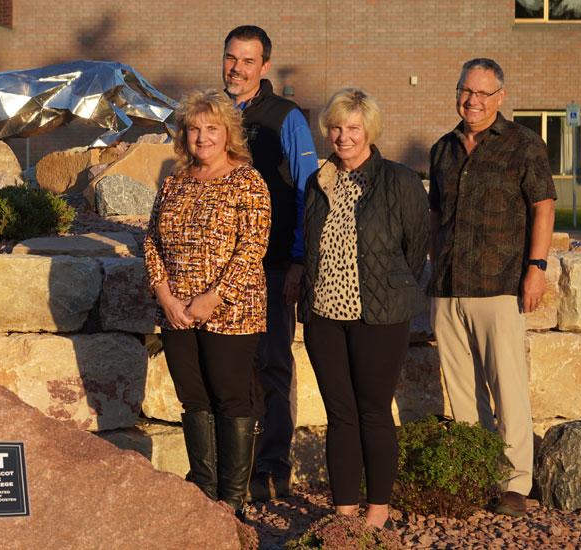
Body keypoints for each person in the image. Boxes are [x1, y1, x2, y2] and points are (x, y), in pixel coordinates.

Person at [428, 58, 556, 518]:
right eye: (467, 90)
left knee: (508, 389)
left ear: (500, 97)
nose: (473, 101)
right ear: (457, 91)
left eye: (483, 93)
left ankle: (515, 482)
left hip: (500, 284)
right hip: (447, 286)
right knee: (462, 393)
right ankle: (476, 474)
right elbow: (436, 215)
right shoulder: (442, 148)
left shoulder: (524, 145)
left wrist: (536, 268)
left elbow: (543, 206)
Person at [300, 88, 429, 528]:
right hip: (324, 317)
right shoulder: (316, 182)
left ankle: (376, 511)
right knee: (340, 414)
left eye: (353, 127)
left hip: (380, 316)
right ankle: (343, 513)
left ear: (369, 131)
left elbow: (416, 249)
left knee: (373, 412)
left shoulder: (399, 181)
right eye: (336, 127)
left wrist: (387, 288)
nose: (343, 136)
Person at [143, 90, 271, 515]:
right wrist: (165, 295)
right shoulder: (173, 183)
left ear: (228, 134)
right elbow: (151, 242)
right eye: (194, 129)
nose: (202, 137)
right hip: (177, 312)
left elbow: (252, 248)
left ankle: (231, 500)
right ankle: (203, 488)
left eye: (211, 128)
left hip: (230, 312)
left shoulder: (247, 181)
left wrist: (212, 298)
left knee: (231, 399)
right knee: (193, 399)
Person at [220, 25, 320, 501]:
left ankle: (272, 470)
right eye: (230, 58)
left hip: (274, 265)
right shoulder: (213, 116)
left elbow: (308, 190)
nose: (236, 68)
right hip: (221, 272)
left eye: (246, 60)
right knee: (232, 372)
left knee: (273, 365)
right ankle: (232, 470)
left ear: (264, 67)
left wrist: (300, 260)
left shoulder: (285, 118)